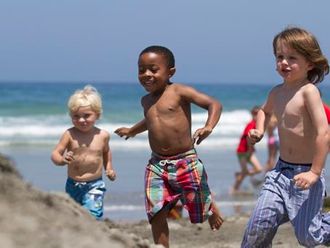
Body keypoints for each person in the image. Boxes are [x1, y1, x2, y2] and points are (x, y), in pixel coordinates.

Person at [115, 45, 224, 248]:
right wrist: (132, 131)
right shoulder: (146, 100)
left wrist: (208, 126)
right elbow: (151, 120)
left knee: (198, 210)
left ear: (170, 72)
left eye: (153, 69)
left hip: (186, 161)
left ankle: (209, 205)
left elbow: (214, 104)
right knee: (155, 212)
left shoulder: (179, 91)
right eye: (141, 70)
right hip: (156, 165)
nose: (146, 74)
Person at [241, 27, 330, 247]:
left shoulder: (308, 92)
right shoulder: (276, 92)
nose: (284, 62)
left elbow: (324, 132)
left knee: (309, 237)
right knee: (257, 226)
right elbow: (264, 111)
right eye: (280, 57)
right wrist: (259, 130)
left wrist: (315, 173)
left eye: (292, 57)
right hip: (280, 173)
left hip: (305, 174)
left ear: (310, 63)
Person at [51, 85, 116, 220]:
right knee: (74, 216)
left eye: (86, 115)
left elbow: (106, 152)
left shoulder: (102, 135)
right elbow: (55, 154)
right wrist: (62, 160)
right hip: (72, 184)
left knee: (93, 215)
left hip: (94, 184)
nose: (81, 120)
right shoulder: (69, 134)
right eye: (76, 116)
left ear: (97, 115)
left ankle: (94, 235)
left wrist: (109, 168)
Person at [231, 106, 263, 194]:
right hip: (242, 151)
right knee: (245, 172)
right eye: (255, 114)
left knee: (259, 169)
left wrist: (251, 149)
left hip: (249, 151)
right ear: (252, 114)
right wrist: (250, 149)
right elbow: (248, 138)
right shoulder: (251, 124)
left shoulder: (257, 125)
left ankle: (239, 173)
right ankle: (234, 189)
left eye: (259, 114)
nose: (257, 116)